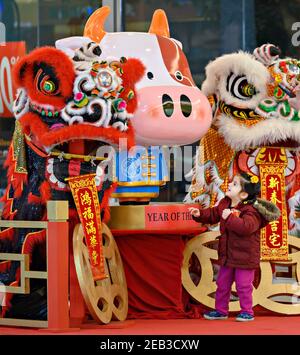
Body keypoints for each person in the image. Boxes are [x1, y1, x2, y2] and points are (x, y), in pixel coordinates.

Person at [189, 172, 280, 322]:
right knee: (222, 284)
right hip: (227, 255)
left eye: (235, 184)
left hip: (245, 257)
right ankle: (221, 310)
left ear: (243, 195)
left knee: (243, 286)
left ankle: (247, 311)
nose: (230, 184)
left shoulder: (252, 211)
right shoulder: (224, 203)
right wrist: (199, 214)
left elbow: (247, 227)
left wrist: (229, 218)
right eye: (232, 182)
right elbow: (213, 214)